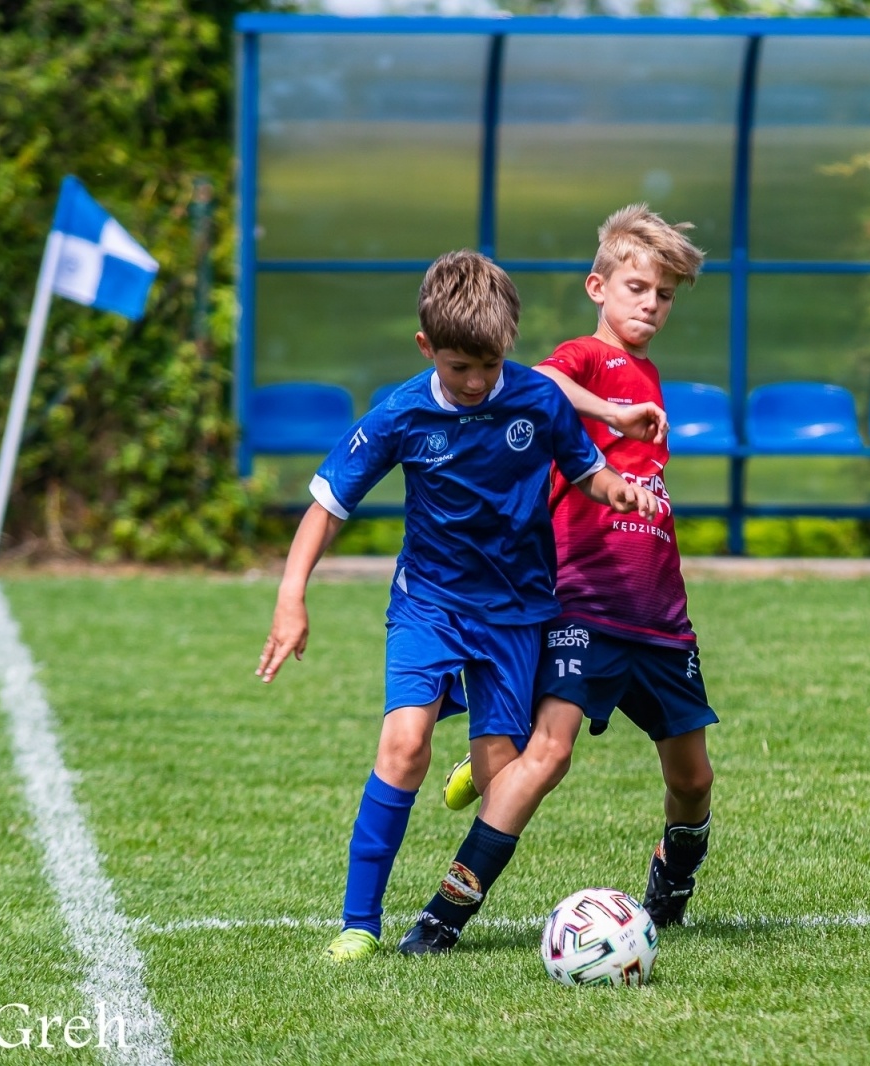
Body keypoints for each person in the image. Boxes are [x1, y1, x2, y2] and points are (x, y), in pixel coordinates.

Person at [255, 250, 663, 963]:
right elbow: (326, 505)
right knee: (404, 746)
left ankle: (471, 782)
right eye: (458, 367)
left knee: (504, 774)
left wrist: (615, 491)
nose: (475, 381)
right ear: (426, 347)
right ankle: (359, 923)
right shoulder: (402, 413)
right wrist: (292, 598)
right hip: (430, 606)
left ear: (510, 343)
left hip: (516, 612)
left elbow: (586, 470)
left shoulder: (538, 399)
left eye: (489, 365)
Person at [437, 203, 717, 931]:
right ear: (598, 287)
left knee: (693, 779)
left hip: (659, 616)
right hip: (585, 604)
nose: (650, 304)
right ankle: (445, 914)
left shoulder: (650, 373)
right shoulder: (588, 359)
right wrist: (614, 413)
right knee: (550, 755)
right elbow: (538, 383)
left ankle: (671, 885)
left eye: (664, 295)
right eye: (636, 288)